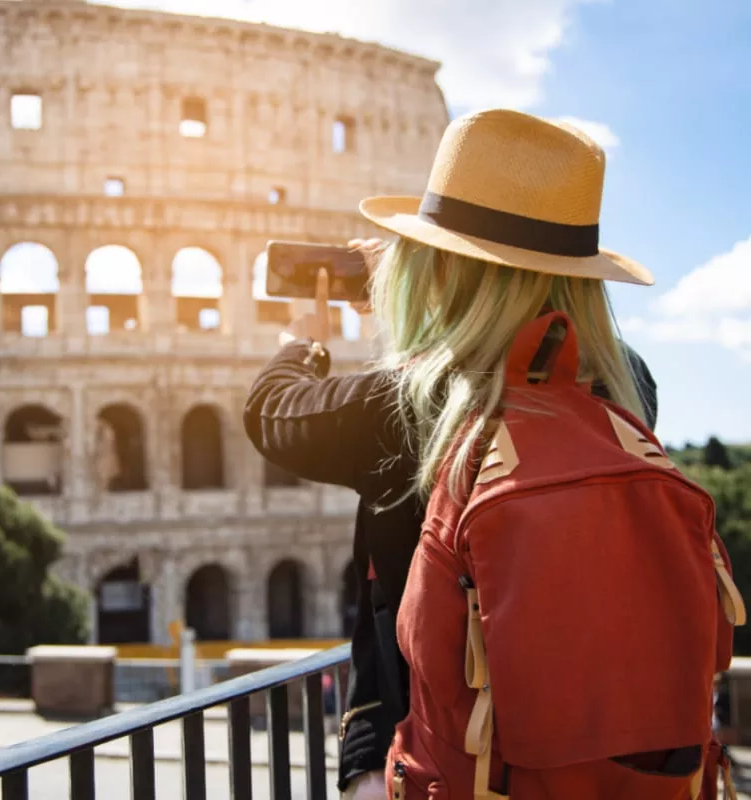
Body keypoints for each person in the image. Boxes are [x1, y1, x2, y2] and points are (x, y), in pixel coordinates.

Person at [244, 109, 659, 799]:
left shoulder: (399, 405)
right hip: (615, 757)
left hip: (444, 760)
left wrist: (305, 337)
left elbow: (272, 412)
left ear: (436, 266)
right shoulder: (628, 385)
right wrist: (436, 303)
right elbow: (525, 365)